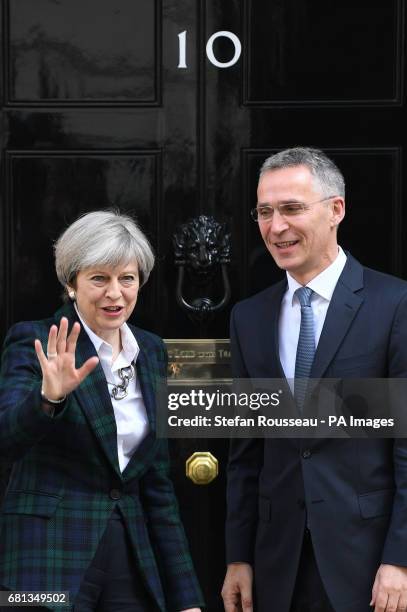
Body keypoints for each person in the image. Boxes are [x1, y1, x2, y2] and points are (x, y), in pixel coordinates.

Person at [221, 148, 407, 612]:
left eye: (291, 208)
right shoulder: (249, 317)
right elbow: (246, 451)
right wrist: (238, 557)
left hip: (367, 562)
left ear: (335, 210)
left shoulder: (394, 304)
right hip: (277, 563)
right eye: (264, 212)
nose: (275, 227)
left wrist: (400, 559)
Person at [0, 210, 204, 612]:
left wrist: (186, 599)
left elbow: (157, 483)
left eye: (126, 279)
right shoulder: (35, 340)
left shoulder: (150, 351)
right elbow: (7, 438)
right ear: (71, 284)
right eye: (99, 278)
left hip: (130, 556)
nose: (115, 293)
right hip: (46, 558)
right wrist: (49, 399)